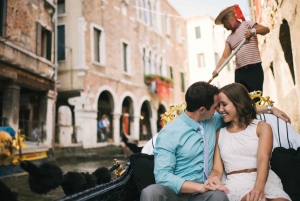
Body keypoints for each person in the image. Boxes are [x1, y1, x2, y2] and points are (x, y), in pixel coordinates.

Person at [140, 81, 290, 201]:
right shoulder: (169, 133)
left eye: (220, 105)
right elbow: (162, 176)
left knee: (219, 196)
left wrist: (270, 109)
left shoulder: (212, 120)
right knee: (151, 192)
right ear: (202, 110)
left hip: (205, 195)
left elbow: (239, 109)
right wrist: (200, 187)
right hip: (176, 193)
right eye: (215, 106)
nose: (218, 110)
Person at [205, 83, 291, 201]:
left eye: (224, 105)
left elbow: (263, 159)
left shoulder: (262, 127)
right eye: (218, 105)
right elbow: (217, 169)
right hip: (237, 183)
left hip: (264, 179)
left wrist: (258, 188)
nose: (220, 110)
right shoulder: (220, 134)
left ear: (238, 103)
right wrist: (213, 177)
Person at [212, 5, 270, 93]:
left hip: (254, 68)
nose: (224, 27)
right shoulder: (229, 39)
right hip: (240, 73)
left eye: (224, 24)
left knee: (256, 99)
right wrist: (217, 70)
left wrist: (254, 31)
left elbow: (266, 29)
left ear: (227, 18)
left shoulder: (247, 24)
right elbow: (225, 57)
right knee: (240, 99)